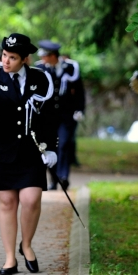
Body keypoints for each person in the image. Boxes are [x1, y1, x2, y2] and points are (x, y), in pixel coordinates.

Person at [0, 33, 57, 275]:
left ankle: (26, 244)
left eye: (12, 57)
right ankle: (9, 257)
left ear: (25, 59)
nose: (6, 61)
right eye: (4, 56)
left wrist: (52, 147)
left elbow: (50, 117)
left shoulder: (40, 79)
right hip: (0, 151)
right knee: (7, 203)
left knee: (31, 200)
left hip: (30, 152)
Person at [36, 40, 85, 190]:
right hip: (48, 118)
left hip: (66, 116)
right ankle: (53, 179)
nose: (43, 58)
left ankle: (63, 176)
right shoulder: (40, 68)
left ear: (52, 56)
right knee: (51, 147)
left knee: (63, 144)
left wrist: (80, 110)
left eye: (45, 55)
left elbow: (80, 91)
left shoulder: (70, 67)